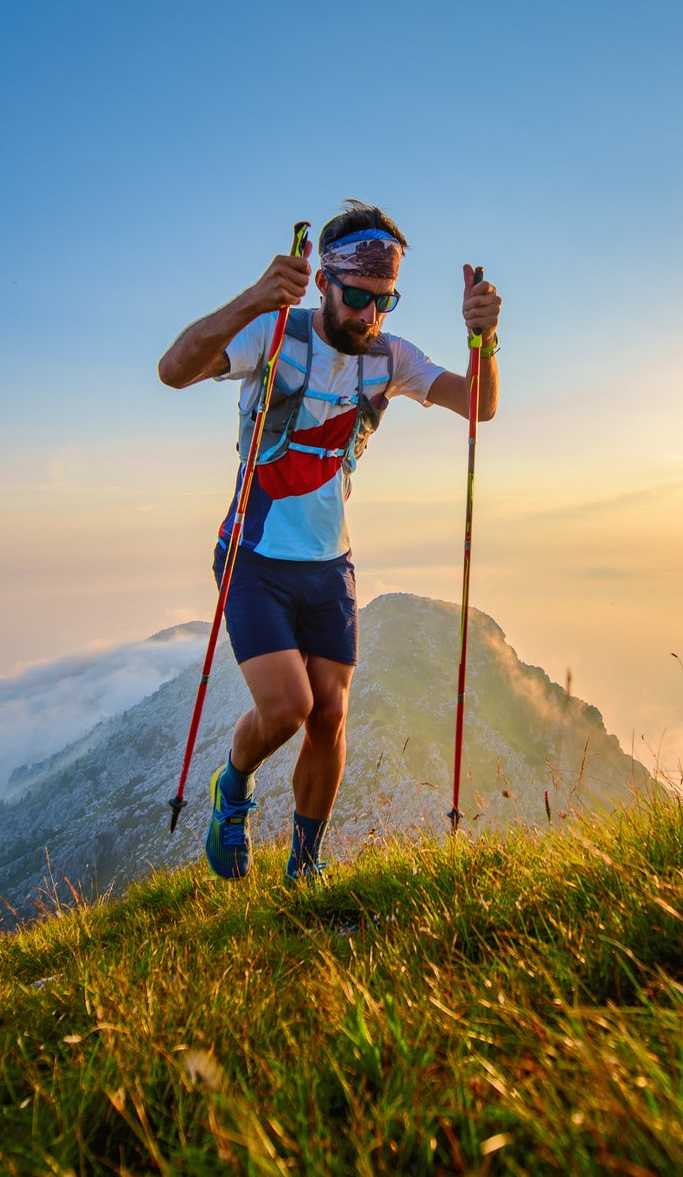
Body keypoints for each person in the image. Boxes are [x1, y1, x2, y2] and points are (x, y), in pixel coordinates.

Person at [157, 200, 501, 882]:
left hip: (329, 564)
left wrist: (484, 343)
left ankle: (303, 871)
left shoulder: (390, 358)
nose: (370, 316)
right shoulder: (271, 334)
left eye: (385, 300)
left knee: (330, 714)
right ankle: (234, 787)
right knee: (287, 709)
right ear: (322, 283)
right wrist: (254, 297)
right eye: (357, 297)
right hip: (253, 557)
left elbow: (478, 406)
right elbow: (174, 369)